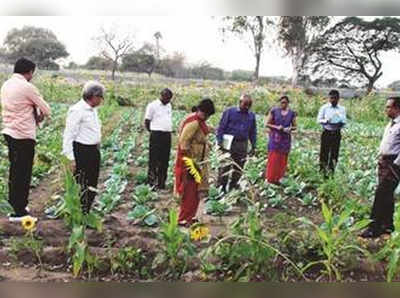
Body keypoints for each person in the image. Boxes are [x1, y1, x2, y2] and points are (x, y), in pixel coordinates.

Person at [1, 58, 51, 222]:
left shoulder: (6, 85)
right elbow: (46, 109)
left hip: (9, 132)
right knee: (23, 173)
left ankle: (16, 205)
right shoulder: (27, 87)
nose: (32, 76)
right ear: (29, 72)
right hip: (23, 135)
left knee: (15, 172)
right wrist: (39, 114)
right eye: (32, 73)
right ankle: (19, 212)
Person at [62, 81, 104, 214]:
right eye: (101, 97)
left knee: (92, 181)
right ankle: (80, 211)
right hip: (82, 151)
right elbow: (69, 135)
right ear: (94, 96)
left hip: (93, 150)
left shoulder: (93, 110)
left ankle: (87, 209)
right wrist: (70, 157)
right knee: (82, 182)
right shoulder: (77, 110)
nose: (102, 100)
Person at [360, 97, 400, 238]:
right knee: (387, 195)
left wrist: (395, 165)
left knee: (380, 194)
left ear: (397, 109)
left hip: (393, 165)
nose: (386, 110)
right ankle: (387, 226)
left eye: (388, 107)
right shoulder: (391, 124)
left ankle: (373, 228)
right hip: (384, 163)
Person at [174, 98, 215, 226]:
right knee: (189, 192)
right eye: (206, 115)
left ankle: (190, 216)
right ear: (201, 111)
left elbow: (203, 132)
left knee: (194, 190)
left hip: (195, 161)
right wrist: (191, 162)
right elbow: (184, 143)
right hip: (190, 163)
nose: (207, 117)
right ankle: (184, 218)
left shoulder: (197, 120)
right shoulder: (194, 123)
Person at [216, 94, 257, 192]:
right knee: (225, 166)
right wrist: (220, 142)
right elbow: (221, 128)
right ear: (240, 103)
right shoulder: (229, 112)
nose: (247, 107)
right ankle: (221, 188)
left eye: (249, 105)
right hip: (228, 142)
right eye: (245, 104)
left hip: (242, 144)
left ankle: (233, 187)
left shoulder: (251, 116)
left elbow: (253, 132)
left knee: (239, 167)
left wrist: (254, 146)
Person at [144, 88, 173, 191]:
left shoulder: (169, 105)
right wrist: (153, 131)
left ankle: (161, 183)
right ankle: (151, 182)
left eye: (169, 99)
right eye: (166, 98)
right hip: (156, 135)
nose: (168, 100)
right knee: (154, 160)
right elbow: (147, 121)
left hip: (167, 135)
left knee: (165, 160)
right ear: (161, 96)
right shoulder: (152, 106)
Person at [265, 96, 297, 184]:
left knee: (282, 159)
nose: (283, 104)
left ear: (288, 103)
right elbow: (267, 124)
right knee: (273, 158)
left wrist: (290, 128)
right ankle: (270, 178)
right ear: (279, 103)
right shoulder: (274, 111)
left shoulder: (291, 113)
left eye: (285, 103)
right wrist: (277, 127)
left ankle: (279, 178)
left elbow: (295, 126)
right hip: (275, 138)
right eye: (282, 102)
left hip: (285, 139)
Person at [317, 89, 346, 176]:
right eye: (332, 98)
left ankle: (331, 172)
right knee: (324, 153)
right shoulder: (324, 108)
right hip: (326, 132)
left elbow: (344, 120)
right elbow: (318, 120)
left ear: (338, 99)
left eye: (335, 98)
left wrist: (340, 122)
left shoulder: (342, 109)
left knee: (335, 153)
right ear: (329, 98)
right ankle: (322, 171)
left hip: (336, 133)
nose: (333, 100)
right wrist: (326, 120)